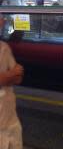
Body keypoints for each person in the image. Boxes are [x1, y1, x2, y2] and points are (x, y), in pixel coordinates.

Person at [0, 14, 24, 149]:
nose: (3, 20)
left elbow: (19, 76)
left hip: (11, 122)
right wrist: (10, 75)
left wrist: (7, 77)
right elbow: (14, 73)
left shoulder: (4, 47)